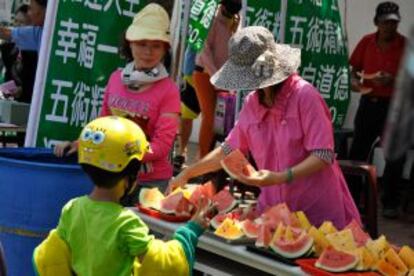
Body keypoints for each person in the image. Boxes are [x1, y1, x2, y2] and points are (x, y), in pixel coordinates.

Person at [169, 26, 361, 229]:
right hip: (272, 211)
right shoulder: (252, 102)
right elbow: (229, 150)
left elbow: (323, 154)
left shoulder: (305, 96)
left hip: (317, 212)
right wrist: (188, 173)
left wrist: (282, 176)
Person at [33, 116, 214, 276]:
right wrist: (190, 230)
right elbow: (164, 264)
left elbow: (49, 255)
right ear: (130, 178)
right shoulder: (126, 223)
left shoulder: (72, 208)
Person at [54, 3, 181, 195]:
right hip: (111, 175)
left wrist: (119, 153)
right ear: (129, 43)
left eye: (156, 46)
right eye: (142, 43)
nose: (148, 52)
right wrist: (78, 144)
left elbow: (162, 146)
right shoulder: (116, 78)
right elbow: (103, 124)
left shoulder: (169, 90)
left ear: (165, 50)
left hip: (149, 183)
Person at [348, 1, 407, 219]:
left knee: (395, 155)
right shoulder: (366, 42)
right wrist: (355, 82)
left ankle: (390, 202)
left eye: (393, 23)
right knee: (358, 152)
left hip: (394, 107)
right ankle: (351, 197)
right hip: (369, 104)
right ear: (377, 23)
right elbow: (354, 70)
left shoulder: (406, 46)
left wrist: (394, 80)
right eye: (385, 23)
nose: (390, 27)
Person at [192, 0, 241, 159]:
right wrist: (215, 75)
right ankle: (202, 159)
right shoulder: (211, 19)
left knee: (220, 121)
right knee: (209, 117)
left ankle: (209, 160)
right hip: (205, 74)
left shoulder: (235, 21)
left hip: (221, 76)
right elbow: (204, 51)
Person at [173, 46, 201, 175]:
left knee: (213, 122)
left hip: (218, 73)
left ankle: (202, 162)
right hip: (193, 71)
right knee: (186, 117)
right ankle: (179, 154)